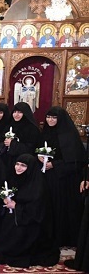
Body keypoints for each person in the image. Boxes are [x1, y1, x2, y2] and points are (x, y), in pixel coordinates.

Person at [0, 154, 60, 268]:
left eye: (23, 166)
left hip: (31, 224)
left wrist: (17, 207)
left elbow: (37, 211)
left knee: (13, 248)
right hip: (17, 218)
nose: (18, 168)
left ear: (30, 168)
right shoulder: (15, 178)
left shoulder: (38, 184)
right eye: (17, 164)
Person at [37, 106, 84, 247]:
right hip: (46, 176)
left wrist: (54, 165)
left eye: (54, 117)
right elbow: (38, 148)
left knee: (59, 208)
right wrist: (39, 156)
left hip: (63, 180)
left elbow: (76, 162)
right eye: (48, 117)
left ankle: (60, 238)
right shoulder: (45, 132)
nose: (50, 120)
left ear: (60, 119)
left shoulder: (69, 136)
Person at [0, 102, 40, 170]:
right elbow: (1, 140)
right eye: (14, 112)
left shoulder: (32, 129)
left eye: (20, 112)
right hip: (7, 160)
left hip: (23, 163)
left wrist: (12, 144)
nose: (16, 115)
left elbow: (31, 148)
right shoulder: (10, 125)